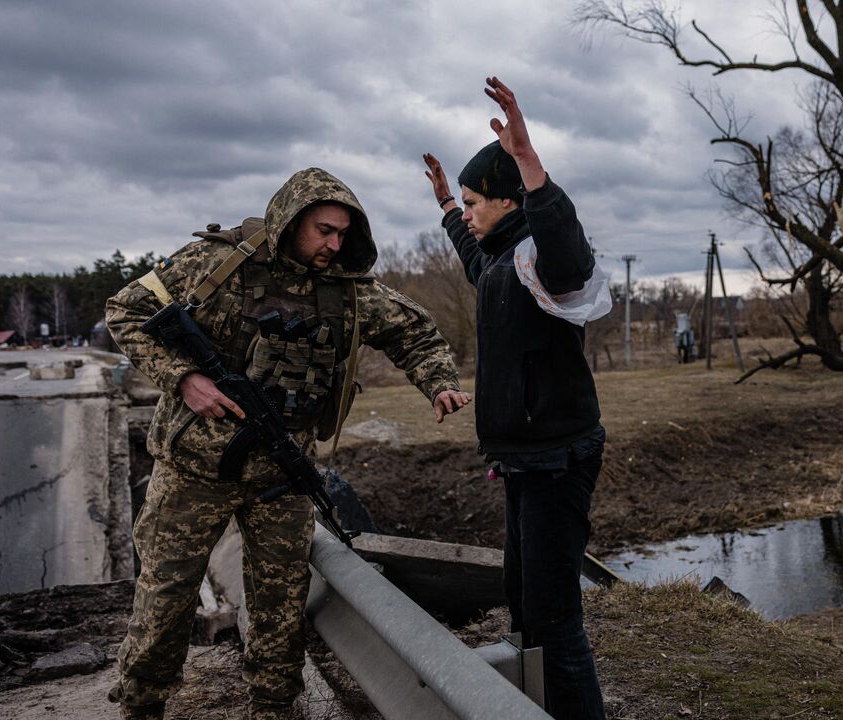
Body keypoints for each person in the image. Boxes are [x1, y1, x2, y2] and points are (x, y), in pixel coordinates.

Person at [104, 167, 470, 720]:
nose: (334, 244)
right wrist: (183, 377)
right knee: (166, 596)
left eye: (343, 234)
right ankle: (141, 705)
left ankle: (274, 707)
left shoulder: (348, 292)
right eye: (324, 230)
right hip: (194, 470)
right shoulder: (217, 264)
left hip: (281, 474)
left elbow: (414, 332)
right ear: (292, 221)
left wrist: (439, 382)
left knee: (280, 604)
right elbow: (125, 310)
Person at [422, 77, 607, 720]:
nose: (470, 213)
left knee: (555, 618)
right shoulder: (502, 263)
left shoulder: (544, 262)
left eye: (476, 201)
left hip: (556, 454)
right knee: (523, 600)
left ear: (508, 200)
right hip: (524, 456)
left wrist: (528, 161)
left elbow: (568, 252)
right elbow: (474, 256)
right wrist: (447, 205)